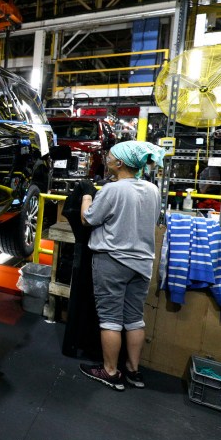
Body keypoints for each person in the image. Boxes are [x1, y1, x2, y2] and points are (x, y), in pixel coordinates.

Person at [78, 140, 164, 391]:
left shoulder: (111, 190)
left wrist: (86, 195)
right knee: (135, 318)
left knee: (110, 319)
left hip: (112, 260)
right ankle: (133, 371)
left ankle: (110, 371)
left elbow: (88, 219)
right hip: (142, 262)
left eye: (110, 156)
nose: (106, 158)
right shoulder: (152, 189)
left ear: (120, 163)